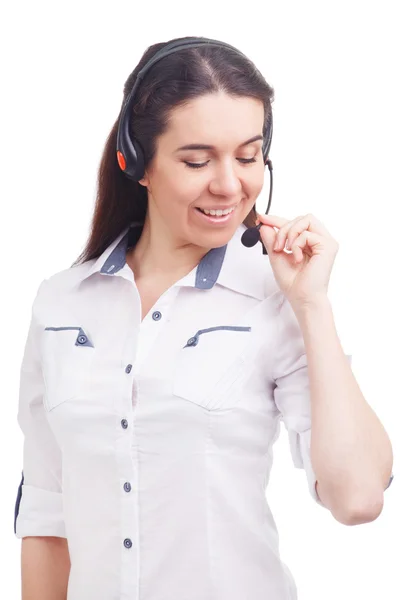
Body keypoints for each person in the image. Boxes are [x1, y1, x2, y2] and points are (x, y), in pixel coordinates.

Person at [14, 35, 393, 600]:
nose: (229, 185)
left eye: (248, 156)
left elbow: (359, 497)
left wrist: (312, 307)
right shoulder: (62, 304)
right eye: (197, 160)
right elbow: (47, 516)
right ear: (135, 161)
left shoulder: (275, 299)